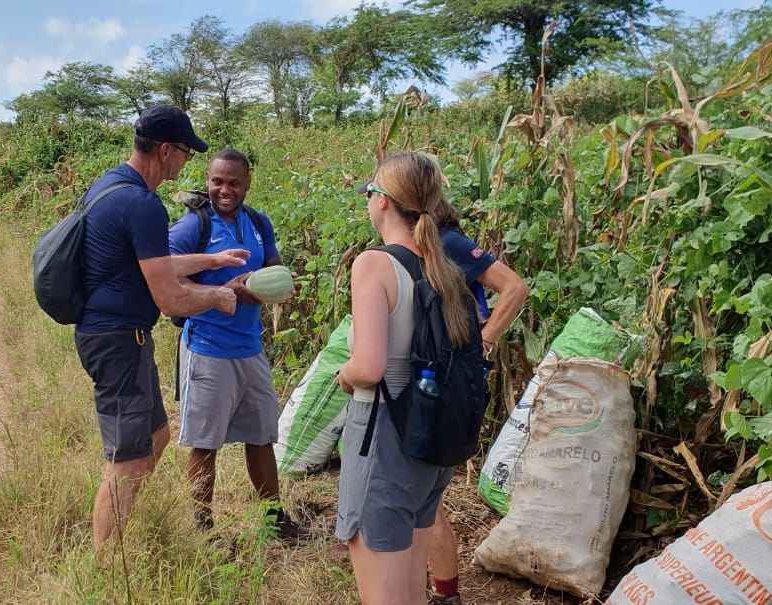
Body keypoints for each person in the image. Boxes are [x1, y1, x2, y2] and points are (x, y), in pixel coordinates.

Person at [74, 105, 248, 549]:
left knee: (155, 436)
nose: (188, 162)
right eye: (187, 153)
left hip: (121, 336)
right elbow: (170, 297)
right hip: (116, 339)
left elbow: (153, 263)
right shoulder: (143, 203)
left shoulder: (113, 185)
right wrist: (217, 295)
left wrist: (211, 260)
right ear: (167, 150)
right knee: (128, 460)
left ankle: (121, 528)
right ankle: (108, 569)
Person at [334, 152, 476, 604]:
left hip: (383, 437)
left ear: (381, 201)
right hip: (430, 440)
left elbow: (370, 367)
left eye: (370, 192)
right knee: (412, 589)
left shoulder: (374, 264)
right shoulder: (445, 270)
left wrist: (343, 374)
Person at [168, 148, 304, 540]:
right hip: (208, 348)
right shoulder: (192, 228)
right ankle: (202, 526)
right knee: (204, 442)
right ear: (208, 181)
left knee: (261, 436)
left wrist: (278, 285)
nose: (224, 189)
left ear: (247, 184)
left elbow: (272, 268)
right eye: (217, 181)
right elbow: (166, 279)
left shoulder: (259, 222)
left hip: (250, 347)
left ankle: (272, 519)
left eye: (233, 182)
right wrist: (218, 292)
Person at [423, 198, 529, 605]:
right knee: (426, 497)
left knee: (425, 497)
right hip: (447, 375)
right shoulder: (436, 246)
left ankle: (444, 592)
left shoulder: (449, 243)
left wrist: (484, 341)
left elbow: (515, 287)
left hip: (450, 378)